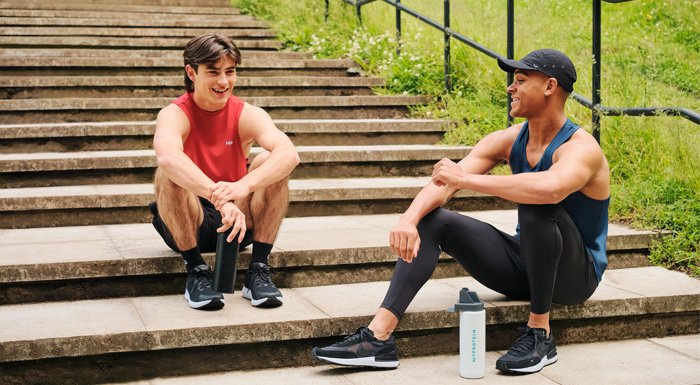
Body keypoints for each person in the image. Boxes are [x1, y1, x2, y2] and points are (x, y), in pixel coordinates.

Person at [312, 49, 610, 374]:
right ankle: (377, 338)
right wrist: (409, 218)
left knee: (538, 204)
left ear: (550, 87)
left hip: (575, 276)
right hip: (526, 266)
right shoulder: (508, 140)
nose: (511, 87)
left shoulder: (581, 149)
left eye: (521, 80)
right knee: (435, 219)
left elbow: (551, 188)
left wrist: (465, 179)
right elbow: (445, 182)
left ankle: (540, 334)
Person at [149, 34, 300, 311]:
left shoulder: (247, 113)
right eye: (214, 72)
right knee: (166, 171)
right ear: (191, 72)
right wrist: (219, 197)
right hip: (188, 218)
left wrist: (241, 188)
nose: (223, 82)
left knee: (269, 158)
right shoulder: (174, 114)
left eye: (230, 72)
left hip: (238, 221)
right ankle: (196, 270)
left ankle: (258, 270)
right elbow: (169, 157)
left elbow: (289, 153)